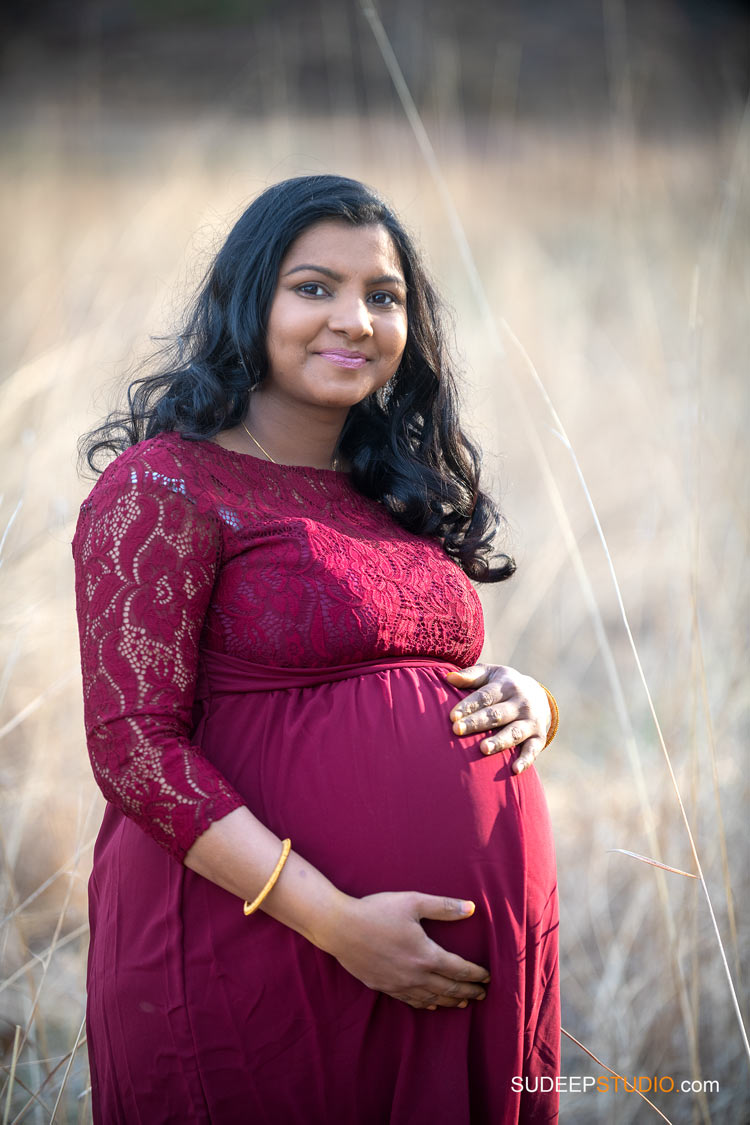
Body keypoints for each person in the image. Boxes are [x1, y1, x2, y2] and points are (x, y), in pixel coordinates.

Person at [73, 174, 560, 1125]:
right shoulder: (164, 484)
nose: (355, 319)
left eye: (384, 296)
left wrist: (536, 702)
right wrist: (337, 922)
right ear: (249, 301)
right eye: (314, 287)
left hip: (455, 970)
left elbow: (418, 674)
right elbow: (132, 748)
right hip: (260, 949)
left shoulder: (393, 490)